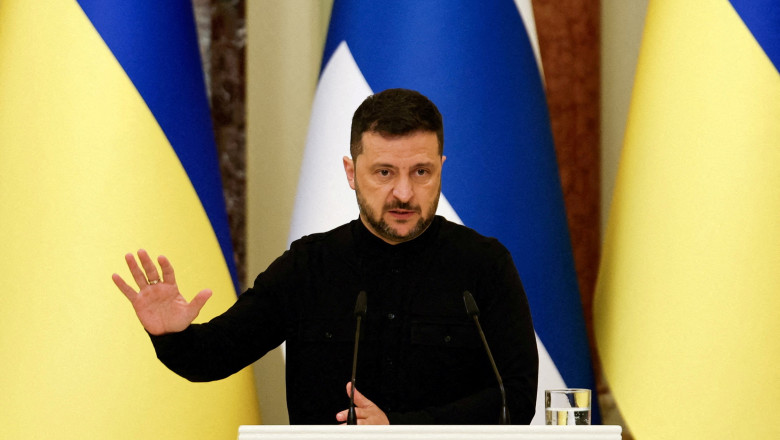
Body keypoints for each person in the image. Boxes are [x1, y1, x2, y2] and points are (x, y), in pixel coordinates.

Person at [113, 88, 539, 425]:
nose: (405, 193)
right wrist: (172, 336)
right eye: (384, 172)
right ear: (351, 172)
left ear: (441, 168)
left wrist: (405, 427)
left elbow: (516, 398)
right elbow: (213, 357)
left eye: (421, 172)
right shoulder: (309, 266)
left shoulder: (484, 265)